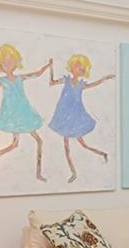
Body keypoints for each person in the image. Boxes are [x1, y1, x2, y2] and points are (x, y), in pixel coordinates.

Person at [0, 43, 51, 181]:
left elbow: (37, 74)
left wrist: (48, 66)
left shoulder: (20, 78)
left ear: (15, 63)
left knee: (37, 141)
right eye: (4, 63)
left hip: (25, 114)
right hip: (12, 115)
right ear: (0, 65)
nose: (7, 65)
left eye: (10, 62)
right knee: (16, 144)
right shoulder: (1, 81)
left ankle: (38, 174)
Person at [48, 54, 114, 183]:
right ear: (72, 67)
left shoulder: (81, 84)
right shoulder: (66, 80)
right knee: (66, 145)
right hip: (63, 115)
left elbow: (94, 84)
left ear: (84, 71)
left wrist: (104, 78)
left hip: (76, 116)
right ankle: (73, 172)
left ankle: (102, 154)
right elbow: (51, 83)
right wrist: (51, 67)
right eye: (76, 66)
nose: (78, 69)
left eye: (81, 68)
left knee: (82, 144)